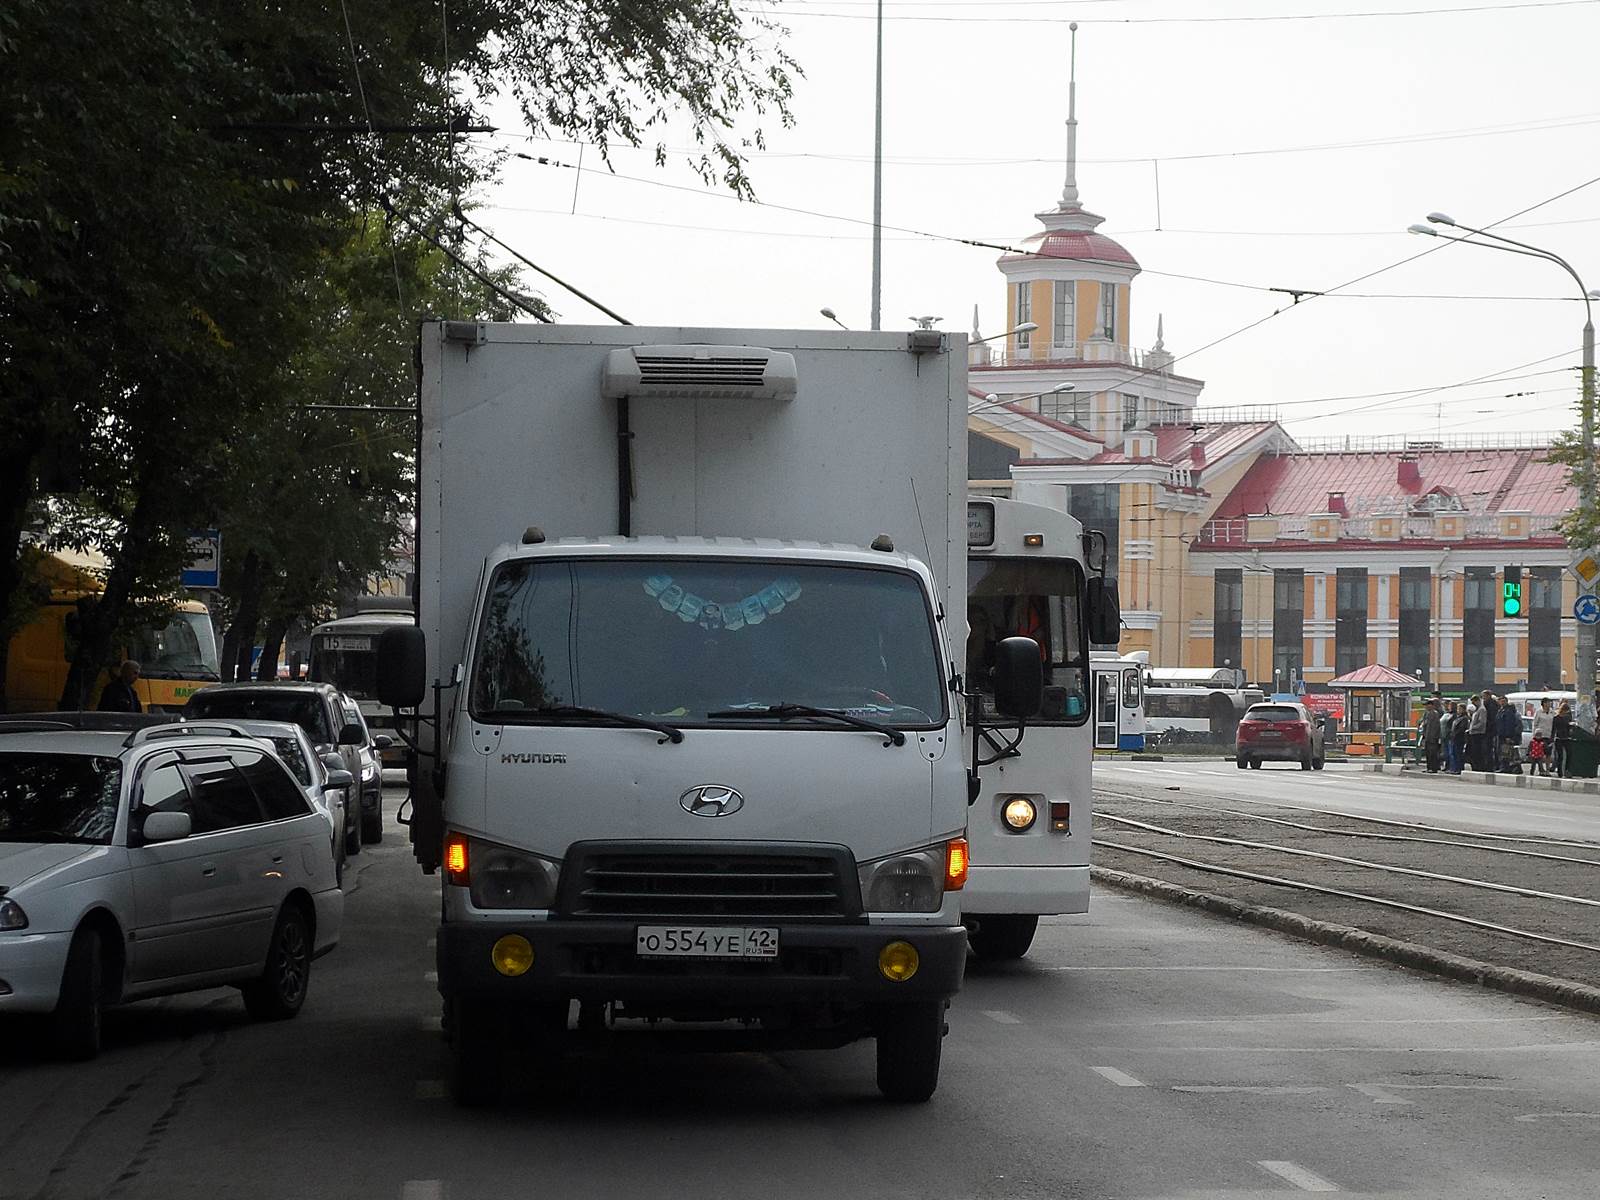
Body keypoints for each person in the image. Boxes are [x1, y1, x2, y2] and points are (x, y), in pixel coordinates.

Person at [1496, 696, 1522, 775]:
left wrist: (1508, 736)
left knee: (1506, 752)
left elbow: (1509, 724)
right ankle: (1504, 766)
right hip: (1500, 734)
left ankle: (1506, 767)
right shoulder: (1501, 710)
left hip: (1506, 735)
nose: (1502, 703)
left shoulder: (1508, 711)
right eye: (1501, 701)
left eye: (1504, 701)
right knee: (1503, 752)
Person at [1531, 697, 1555, 777]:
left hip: (1549, 735)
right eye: (1548, 703)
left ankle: (1547, 770)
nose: (1549, 704)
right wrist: (1534, 735)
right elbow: (1535, 723)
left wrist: (1553, 735)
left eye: (1550, 703)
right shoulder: (1538, 712)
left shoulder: (1552, 712)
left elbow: (1554, 724)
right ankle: (1541, 769)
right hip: (1540, 735)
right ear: (1544, 703)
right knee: (1540, 753)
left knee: (1548, 753)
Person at [1420, 698, 1442, 773]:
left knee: (1433, 753)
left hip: (1432, 737)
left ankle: (1433, 768)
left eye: (1427, 705)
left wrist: (1432, 737)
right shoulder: (1428, 713)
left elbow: (1434, 727)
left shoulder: (1434, 713)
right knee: (1428, 753)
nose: (1425, 707)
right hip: (1427, 736)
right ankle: (1429, 767)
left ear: (1431, 705)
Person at [1467, 694, 1488, 771]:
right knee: (1474, 751)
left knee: (1478, 751)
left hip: (1478, 733)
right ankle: (1476, 766)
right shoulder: (1477, 710)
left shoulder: (1482, 710)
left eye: (1474, 702)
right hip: (1473, 733)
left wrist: (1472, 728)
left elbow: (1482, 722)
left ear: (1478, 701)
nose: (1473, 704)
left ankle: (1480, 767)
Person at [1553, 700, 1574, 778]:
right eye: (1565, 711)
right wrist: (1552, 739)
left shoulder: (1567, 717)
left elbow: (1568, 726)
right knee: (1560, 756)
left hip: (1566, 738)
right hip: (1559, 738)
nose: (1566, 713)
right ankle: (1560, 772)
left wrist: (1571, 726)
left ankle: (1566, 770)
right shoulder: (1556, 718)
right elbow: (1554, 729)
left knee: (1569, 754)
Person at [1450, 698, 1470, 774]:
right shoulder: (1458, 718)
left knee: (1458, 754)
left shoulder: (1464, 718)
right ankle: (1454, 768)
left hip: (1459, 738)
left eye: (1460, 709)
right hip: (1454, 738)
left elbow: (1461, 729)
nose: (1458, 710)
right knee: (1454, 753)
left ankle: (1459, 768)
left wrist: (1455, 734)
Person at [1440, 701, 1457, 773]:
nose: (1449, 707)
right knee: (1445, 752)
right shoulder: (1446, 714)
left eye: (1451, 705)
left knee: (1450, 753)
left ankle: (1452, 767)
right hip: (1443, 735)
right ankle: (1447, 766)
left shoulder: (1454, 715)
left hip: (1449, 736)